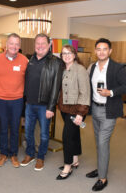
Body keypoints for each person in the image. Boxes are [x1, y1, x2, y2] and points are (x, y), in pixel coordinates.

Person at [86, 38, 126, 191]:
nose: (101, 52)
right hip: (95, 109)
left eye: (104, 49)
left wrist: (110, 92)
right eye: (98, 49)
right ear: (95, 51)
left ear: (110, 51)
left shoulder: (117, 68)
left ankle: (103, 178)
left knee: (102, 143)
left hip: (109, 110)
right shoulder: (92, 67)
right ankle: (101, 169)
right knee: (98, 142)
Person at [20, 33, 62, 171]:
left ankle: (41, 157)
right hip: (30, 104)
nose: (40, 46)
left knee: (44, 134)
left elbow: (56, 87)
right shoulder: (30, 59)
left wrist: (51, 107)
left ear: (49, 45)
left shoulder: (55, 62)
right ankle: (30, 154)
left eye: (43, 43)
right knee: (28, 132)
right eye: (37, 43)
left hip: (45, 106)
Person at [0, 33, 28, 168]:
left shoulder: (24, 60)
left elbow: (28, 81)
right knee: (2, 128)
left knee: (14, 128)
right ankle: (3, 154)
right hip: (0, 99)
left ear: (19, 46)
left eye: (17, 44)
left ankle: (13, 155)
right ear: (6, 45)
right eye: (11, 43)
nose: (14, 46)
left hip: (17, 100)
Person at [56, 45, 90, 180]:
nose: (66, 55)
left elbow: (85, 93)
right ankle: (75, 159)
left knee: (67, 137)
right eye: (64, 53)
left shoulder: (80, 70)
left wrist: (80, 114)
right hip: (65, 109)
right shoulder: (63, 69)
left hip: (76, 109)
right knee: (74, 134)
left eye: (69, 53)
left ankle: (67, 165)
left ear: (74, 55)